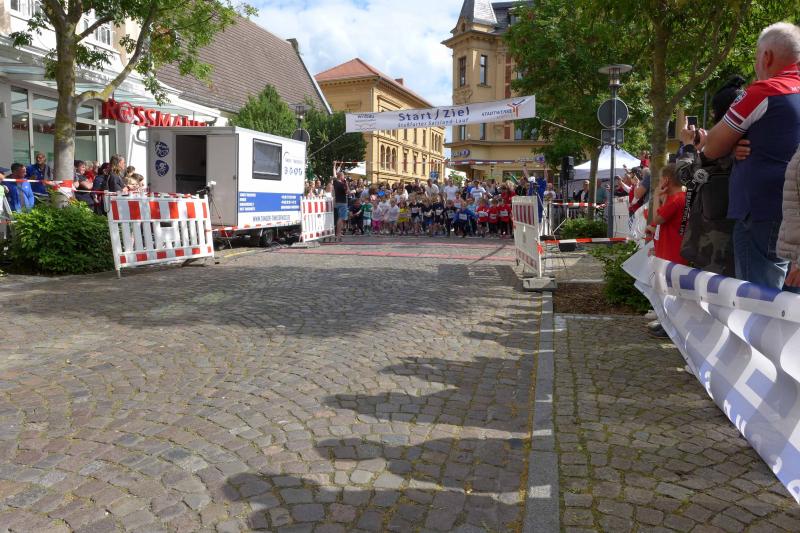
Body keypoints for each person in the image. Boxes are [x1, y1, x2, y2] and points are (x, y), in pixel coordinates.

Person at [703, 22, 800, 290]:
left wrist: (731, 143)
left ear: (766, 56)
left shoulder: (763, 92)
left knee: (760, 302)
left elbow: (712, 147)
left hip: (763, 212)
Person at [647, 164, 687, 265]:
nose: (659, 184)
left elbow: (656, 220)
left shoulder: (675, 200)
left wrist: (656, 195)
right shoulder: (682, 197)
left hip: (670, 256)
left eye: (660, 180)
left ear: (666, 180)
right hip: (674, 252)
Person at [332, 167, 349, 242]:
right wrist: (346, 183)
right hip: (342, 203)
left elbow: (334, 174)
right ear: (341, 176)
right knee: (341, 219)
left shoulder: (335, 182)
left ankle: (338, 234)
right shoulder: (342, 184)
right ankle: (338, 234)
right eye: (343, 176)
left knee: (339, 218)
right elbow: (348, 192)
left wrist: (334, 166)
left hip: (337, 202)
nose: (344, 177)